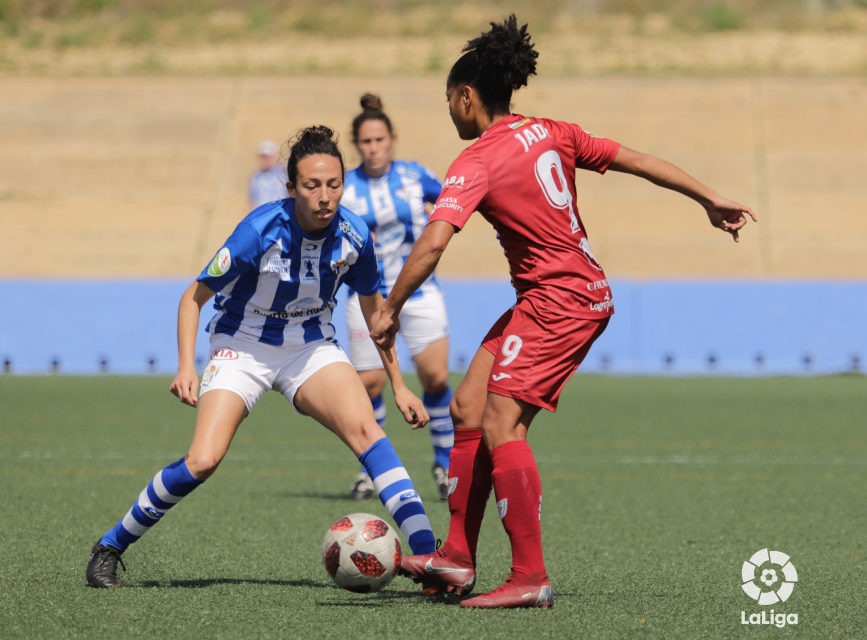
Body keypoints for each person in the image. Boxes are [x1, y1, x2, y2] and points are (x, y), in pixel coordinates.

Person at [370, 16, 757, 609]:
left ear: (467, 96)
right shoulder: (553, 131)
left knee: (502, 424)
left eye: (449, 100)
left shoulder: (476, 160)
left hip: (562, 300)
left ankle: (530, 577)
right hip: (556, 295)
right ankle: (456, 557)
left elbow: (433, 242)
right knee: (470, 406)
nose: (449, 111)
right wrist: (708, 196)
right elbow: (637, 159)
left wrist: (391, 307)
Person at [86, 126, 438, 589]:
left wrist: (399, 385)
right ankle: (110, 546)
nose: (324, 196)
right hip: (242, 345)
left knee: (369, 433)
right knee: (203, 460)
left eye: (334, 184)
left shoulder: (355, 236)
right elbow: (193, 297)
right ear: (291, 188)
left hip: (310, 346)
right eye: (311, 185)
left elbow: (378, 316)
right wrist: (186, 366)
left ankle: (429, 557)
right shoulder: (259, 229)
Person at [341, 93, 454, 501]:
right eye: (366, 142)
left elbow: (453, 201)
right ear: (357, 145)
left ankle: (445, 464)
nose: (373, 148)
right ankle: (371, 471)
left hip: (420, 292)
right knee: (370, 385)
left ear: (391, 140)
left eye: (379, 140)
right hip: (368, 296)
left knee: (435, 378)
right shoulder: (345, 186)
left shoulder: (414, 176)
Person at [248, 139, 290, 208]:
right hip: (261, 212)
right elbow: (251, 199)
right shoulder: (256, 177)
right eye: (263, 157)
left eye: (268, 157)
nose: (265, 160)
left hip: (279, 211)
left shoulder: (284, 174)